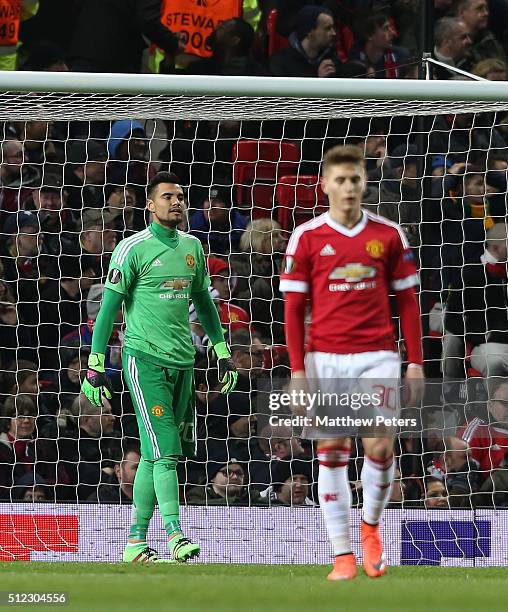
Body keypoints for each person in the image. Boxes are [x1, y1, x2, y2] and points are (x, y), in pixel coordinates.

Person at [280, 144, 424, 580]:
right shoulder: (307, 237)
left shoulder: (389, 234)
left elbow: (408, 301)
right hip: (325, 358)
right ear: (324, 185)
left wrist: (414, 362)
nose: (348, 187)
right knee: (332, 450)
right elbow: (292, 309)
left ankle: (370, 528)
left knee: (379, 445)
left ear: (365, 182)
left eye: (355, 179)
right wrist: (298, 372)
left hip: (377, 354)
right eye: (340, 180)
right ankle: (342, 555)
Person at [80, 171, 238, 564]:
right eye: (167, 196)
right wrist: (95, 364)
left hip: (183, 361)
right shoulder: (132, 249)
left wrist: (221, 351)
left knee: (156, 456)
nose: (177, 202)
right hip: (144, 360)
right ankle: (175, 534)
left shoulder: (193, 247)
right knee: (165, 450)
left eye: (181, 196)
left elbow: (204, 304)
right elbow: (109, 311)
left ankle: (135, 543)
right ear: (150, 205)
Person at [269, 5, 341, 78]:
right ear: (309, 31)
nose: (333, 33)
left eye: (333, 28)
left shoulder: (333, 61)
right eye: (327, 28)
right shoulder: (281, 63)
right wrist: (318, 80)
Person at [349, 12, 409, 78]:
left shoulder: (402, 56)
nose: (393, 33)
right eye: (386, 29)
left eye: (390, 28)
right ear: (370, 35)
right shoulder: (354, 61)